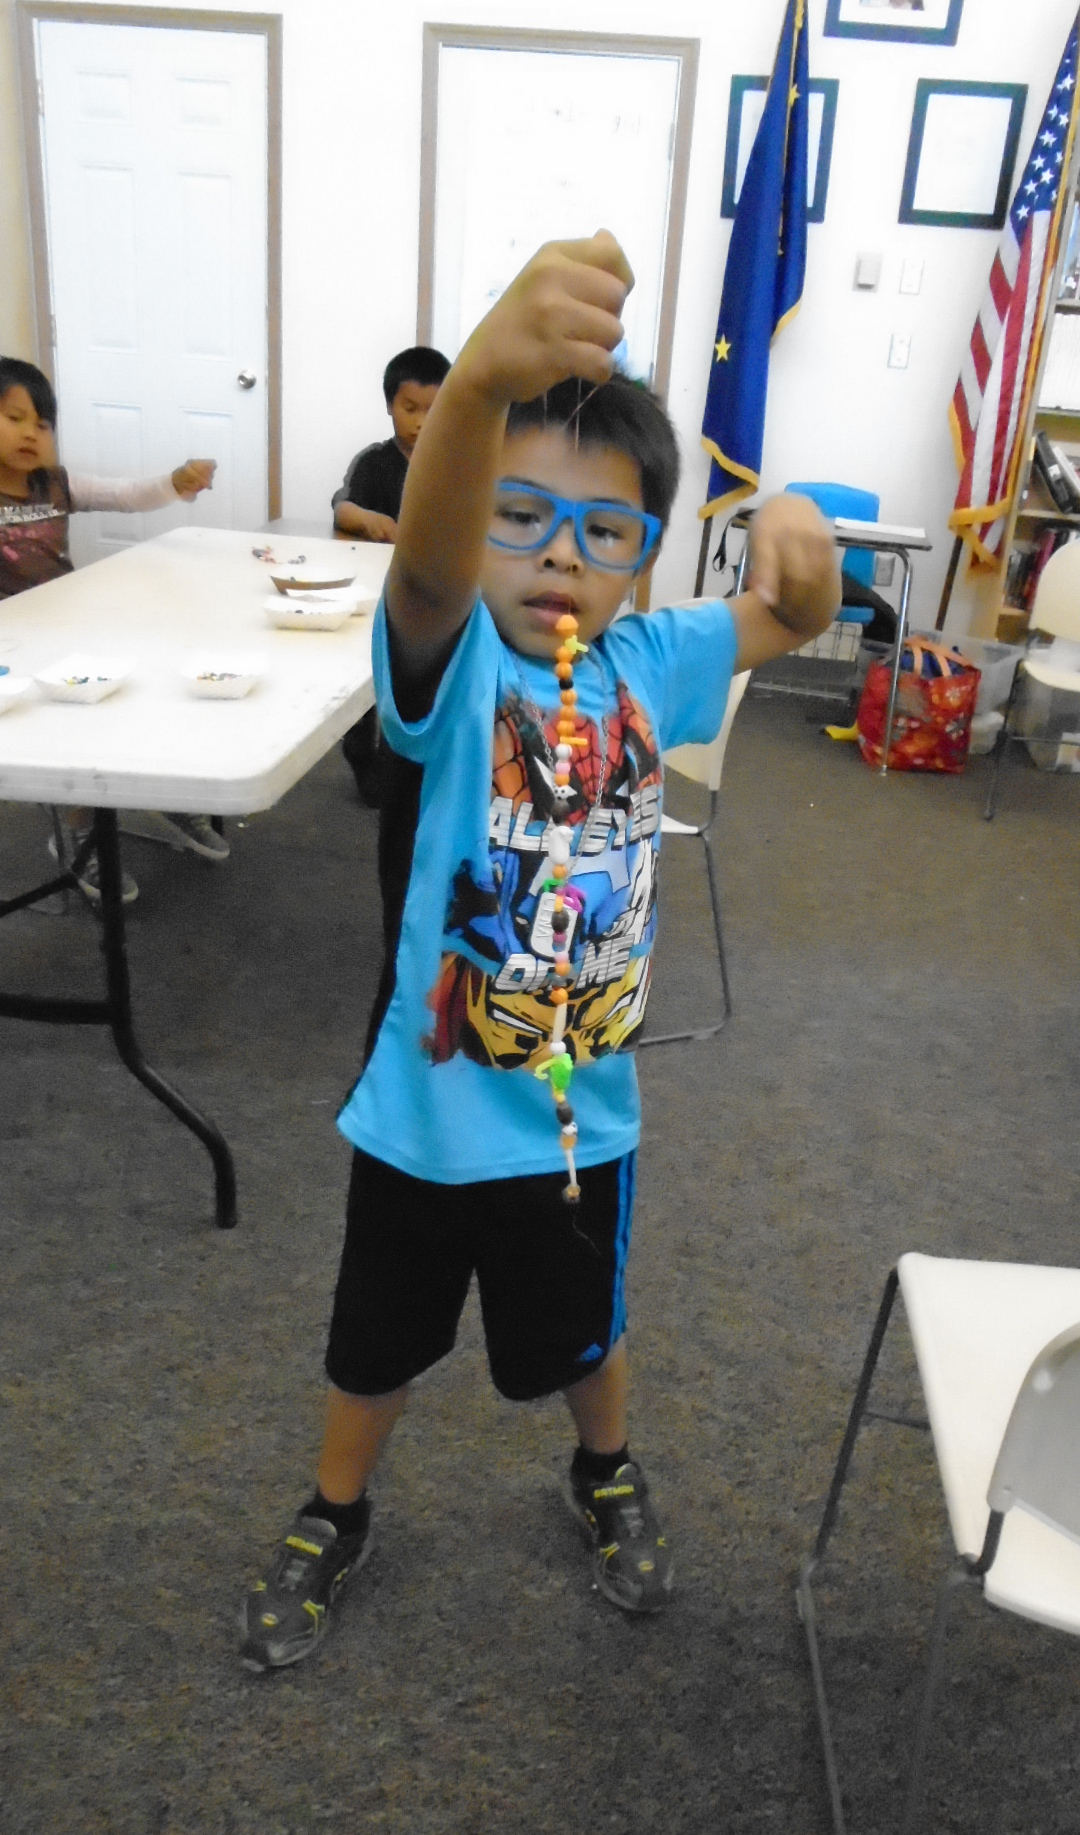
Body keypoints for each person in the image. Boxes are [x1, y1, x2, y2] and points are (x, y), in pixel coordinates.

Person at [240, 233, 839, 1672]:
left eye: (603, 532)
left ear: (643, 556)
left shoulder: (652, 663)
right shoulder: (456, 669)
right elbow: (433, 572)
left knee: (585, 1331)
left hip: (583, 1122)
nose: (560, 555)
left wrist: (801, 532)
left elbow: (792, 617)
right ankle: (335, 1510)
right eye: (521, 516)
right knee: (374, 1339)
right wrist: (483, 385)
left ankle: (605, 1471)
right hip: (430, 1115)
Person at [0, 357, 224, 903]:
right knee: (68, 733)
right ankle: (77, 835)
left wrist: (174, 482)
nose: (32, 432)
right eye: (14, 417)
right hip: (11, 649)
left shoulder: (55, 484)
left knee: (144, 678)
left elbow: (125, 495)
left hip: (69, 626)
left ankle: (162, 787)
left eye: (44, 423)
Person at [331, 346, 450, 805]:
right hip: (376, 591)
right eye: (409, 408)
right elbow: (342, 505)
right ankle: (362, 749)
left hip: (432, 593)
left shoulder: (456, 464)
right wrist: (366, 518)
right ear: (388, 405)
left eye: (433, 411)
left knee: (422, 683)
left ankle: (416, 761)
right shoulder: (374, 461)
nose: (420, 421)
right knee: (369, 672)